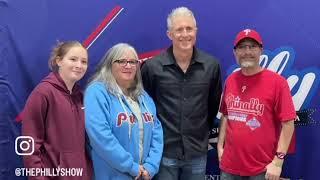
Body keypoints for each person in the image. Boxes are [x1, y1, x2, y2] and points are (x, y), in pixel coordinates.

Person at [141, 7, 222, 180]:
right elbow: (146, 109)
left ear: (196, 31)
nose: (185, 34)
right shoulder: (152, 67)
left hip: (197, 152)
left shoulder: (211, 66)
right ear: (169, 34)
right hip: (163, 152)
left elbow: (213, 105)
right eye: (179, 29)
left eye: (189, 29)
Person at [217, 29, 296, 180]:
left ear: (261, 50)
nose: (247, 51)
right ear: (235, 52)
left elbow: (288, 123)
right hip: (229, 167)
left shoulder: (277, 83)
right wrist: (220, 146)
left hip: (262, 169)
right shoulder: (231, 80)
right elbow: (226, 115)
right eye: (242, 47)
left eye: (252, 46)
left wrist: (278, 162)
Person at [84, 43, 163, 180]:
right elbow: (101, 137)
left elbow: (157, 132)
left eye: (133, 62)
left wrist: (151, 166)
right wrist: (131, 167)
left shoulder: (143, 96)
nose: (128, 65)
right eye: (121, 61)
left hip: (143, 175)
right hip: (112, 175)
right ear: (110, 64)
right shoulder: (97, 92)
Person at [21, 41, 92, 180]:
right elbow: (29, 143)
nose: (79, 65)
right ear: (59, 61)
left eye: (84, 61)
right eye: (73, 59)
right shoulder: (43, 93)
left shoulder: (82, 97)